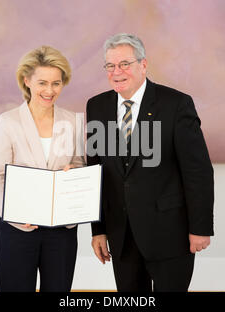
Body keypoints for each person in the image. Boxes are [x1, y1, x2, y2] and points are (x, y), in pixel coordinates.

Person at [86, 33, 214, 292]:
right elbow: (95, 171)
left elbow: (197, 171)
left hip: (170, 234)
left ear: (143, 65)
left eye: (125, 64)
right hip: (121, 236)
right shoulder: (97, 106)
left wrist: (200, 228)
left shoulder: (176, 104)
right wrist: (97, 229)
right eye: (110, 66)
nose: (117, 72)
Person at [0, 46, 85, 292]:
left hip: (61, 231)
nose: (49, 91)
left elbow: (80, 166)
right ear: (26, 80)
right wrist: (17, 216)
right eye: (42, 83)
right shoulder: (6, 123)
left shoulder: (74, 121)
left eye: (56, 83)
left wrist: (72, 173)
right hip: (18, 229)